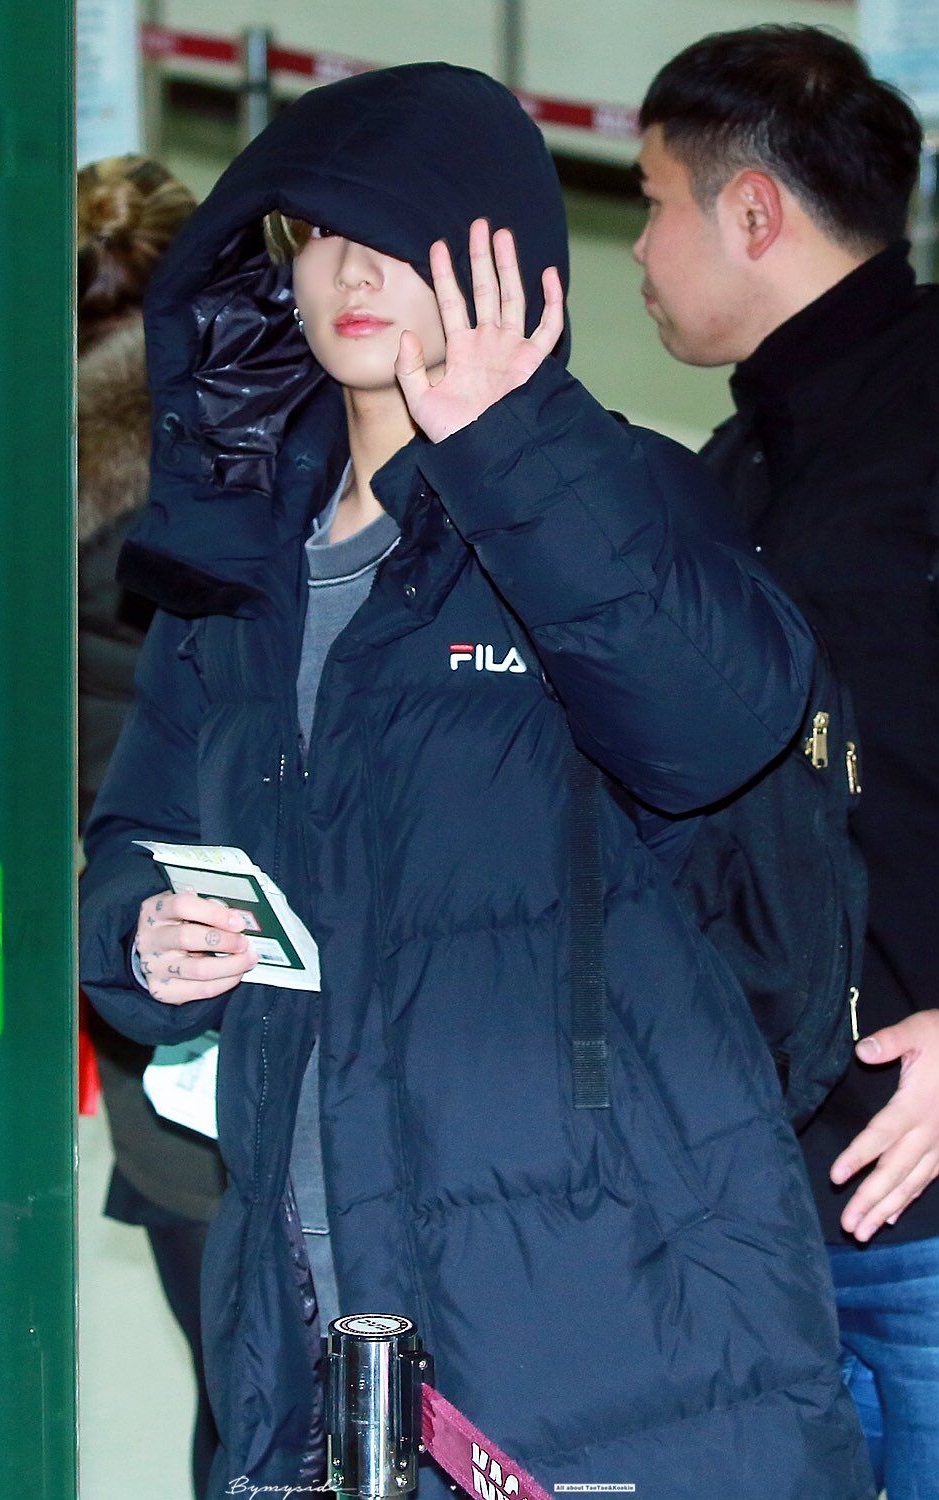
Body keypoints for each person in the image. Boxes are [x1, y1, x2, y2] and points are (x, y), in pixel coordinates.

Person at [80, 63, 874, 1499]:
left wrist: (511, 448)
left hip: (606, 1291)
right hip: (307, 1289)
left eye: (402, 238)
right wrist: (141, 936)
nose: (352, 273)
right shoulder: (237, 560)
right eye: (320, 234)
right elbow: (137, 831)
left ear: (504, 265)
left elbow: (715, 727)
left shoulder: (611, 493)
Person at [635, 25, 939, 1497]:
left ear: (750, 211)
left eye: (652, 203)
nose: (639, 247)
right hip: (768, 1209)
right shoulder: (742, 465)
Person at [77, 154, 224, 1499]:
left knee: (224, 1392)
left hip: (129, 968)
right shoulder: (243, 479)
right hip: (252, 955)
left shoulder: (1, 486)